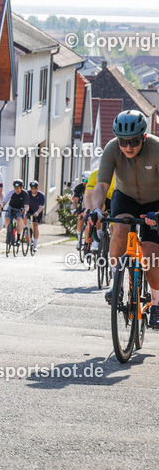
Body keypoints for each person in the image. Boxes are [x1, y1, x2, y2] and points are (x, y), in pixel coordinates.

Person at [92, 110, 159, 324]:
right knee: (119, 229)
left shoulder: (156, 148)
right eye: (123, 142)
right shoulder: (112, 149)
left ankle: (157, 303)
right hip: (126, 196)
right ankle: (117, 283)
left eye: (134, 141)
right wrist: (96, 209)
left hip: (155, 201)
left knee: (150, 252)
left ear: (144, 138)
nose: (128, 147)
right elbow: (102, 184)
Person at [1, 179, 29, 246]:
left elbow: (27, 206)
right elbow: (5, 200)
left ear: (22, 187)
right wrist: (2, 206)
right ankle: (9, 235)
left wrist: (24, 209)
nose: (16, 190)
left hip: (20, 209)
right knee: (7, 219)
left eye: (18, 188)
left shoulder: (25, 194)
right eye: (15, 188)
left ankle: (18, 238)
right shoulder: (11, 192)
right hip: (12, 207)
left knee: (19, 220)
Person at [26, 180, 46, 250]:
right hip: (29, 210)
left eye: (35, 188)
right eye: (32, 187)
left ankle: (35, 244)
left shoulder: (41, 195)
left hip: (37, 211)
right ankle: (26, 230)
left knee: (35, 225)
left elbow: (41, 206)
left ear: (37, 188)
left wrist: (37, 212)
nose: (33, 189)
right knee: (25, 218)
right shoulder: (27, 193)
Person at [72, 171, 89, 249]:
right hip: (82, 207)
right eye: (83, 180)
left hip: (90, 207)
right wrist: (74, 208)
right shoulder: (79, 188)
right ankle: (79, 241)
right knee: (80, 219)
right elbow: (75, 200)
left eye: (87, 181)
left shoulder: (93, 187)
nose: (85, 183)